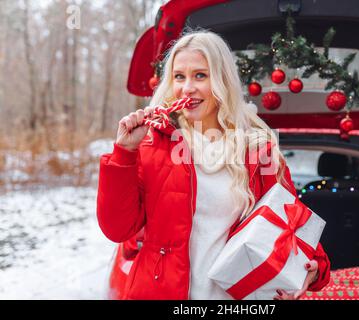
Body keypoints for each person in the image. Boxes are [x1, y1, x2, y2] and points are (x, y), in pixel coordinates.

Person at [97, 30, 330, 300]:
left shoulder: (257, 150)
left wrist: (314, 267)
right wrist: (124, 153)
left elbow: (290, 221)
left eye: (200, 75)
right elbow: (116, 229)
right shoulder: (153, 144)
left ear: (221, 81)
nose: (187, 88)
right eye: (179, 77)